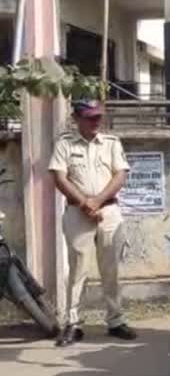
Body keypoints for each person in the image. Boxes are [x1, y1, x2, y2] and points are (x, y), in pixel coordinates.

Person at [48, 100, 136, 346]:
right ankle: (74, 323)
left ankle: (116, 320)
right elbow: (59, 177)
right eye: (90, 117)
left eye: (98, 116)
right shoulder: (65, 143)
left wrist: (97, 201)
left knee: (112, 269)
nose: (96, 121)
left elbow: (120, 175)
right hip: (78, 213)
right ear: (77, 119)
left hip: (108, 212)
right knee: (77, 270)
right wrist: (85, 203)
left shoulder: (111, 143)